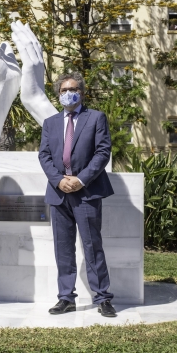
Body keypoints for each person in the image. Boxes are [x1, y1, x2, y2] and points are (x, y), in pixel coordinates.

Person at [38, 71, 116, 318]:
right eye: (63, 90)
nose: (67, 93)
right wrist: (58, 180)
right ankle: (66, 298)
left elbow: (103, 152)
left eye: (73, 89)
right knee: (63, 248)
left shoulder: (96, 118)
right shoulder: (50, 123)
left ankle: (102, 297)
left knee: (92, 246)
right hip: (59, 193)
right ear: (58, 93)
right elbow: (44, 155)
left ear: (82, 92)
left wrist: (81, 179)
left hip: (87, 192)